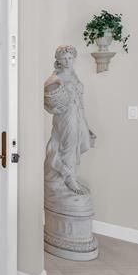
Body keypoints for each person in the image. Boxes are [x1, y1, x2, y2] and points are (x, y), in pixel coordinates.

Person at [43, 45, 96, 196]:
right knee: (69, 145)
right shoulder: (55, 78)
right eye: (64, 58)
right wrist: (54, 108)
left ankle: (68, 172)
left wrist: (85, 122)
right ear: (58, 60)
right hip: (65, 115)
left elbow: (80, 100)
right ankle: (68, 177)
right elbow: (46, 99)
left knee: (82, 142)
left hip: (77, 113)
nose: (68, 61)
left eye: (70, 58)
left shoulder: (74, 75)